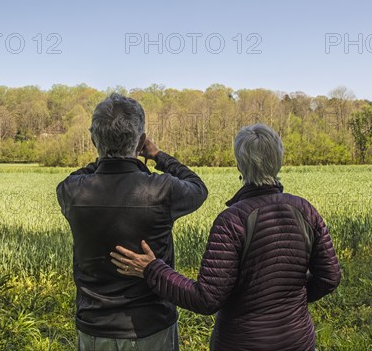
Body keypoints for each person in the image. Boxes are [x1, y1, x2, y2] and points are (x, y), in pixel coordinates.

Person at [110, 123, 341, 351]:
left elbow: (206, 299)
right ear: (278, 160)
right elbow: (330, 277)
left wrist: (152, 269)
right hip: (298, 340)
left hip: (240, 342)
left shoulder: (232, 221)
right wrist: (289, 302)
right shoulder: (305, 210)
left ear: (239, 164)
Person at [56, 93, 208, 351]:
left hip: (95, 327)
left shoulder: (72, 192)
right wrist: (157, 155)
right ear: (139, 142)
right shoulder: (162, 189)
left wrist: (104, 155)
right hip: (150, 326)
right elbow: (197, 188)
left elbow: (81, 174)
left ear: (94, 140)